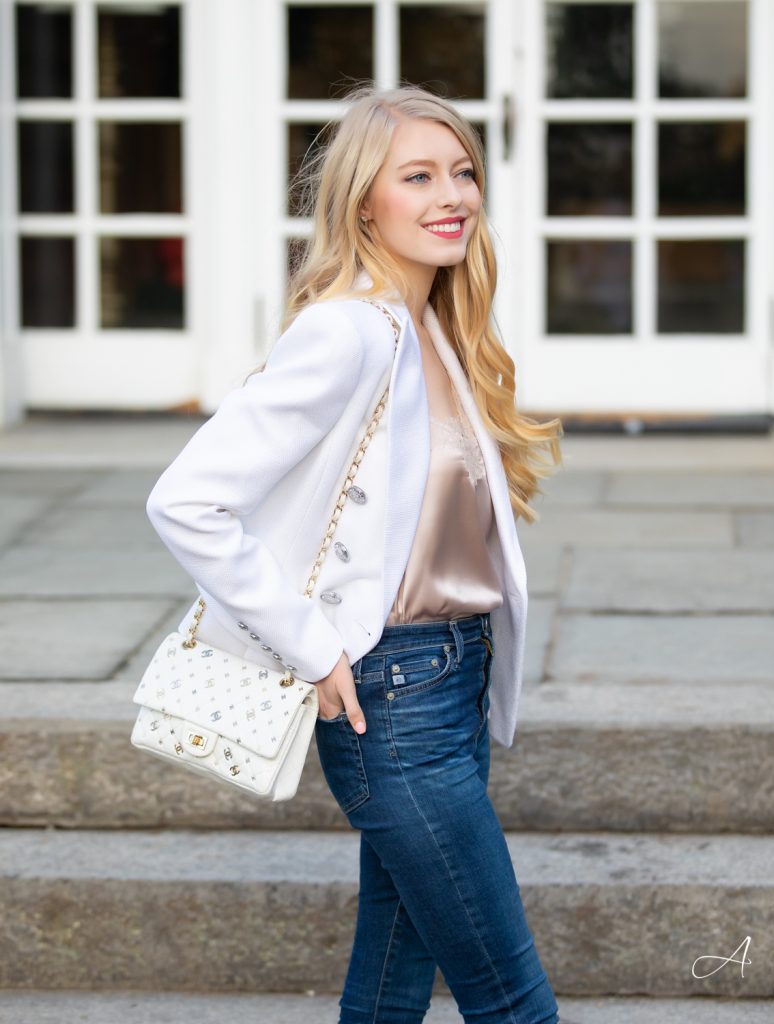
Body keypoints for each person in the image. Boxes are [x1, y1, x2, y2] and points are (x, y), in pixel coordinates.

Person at [146, 83, 563, 1024]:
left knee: (391, 975)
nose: (450, 194)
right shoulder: (349, 332)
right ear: (361, 203)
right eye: (416, 176)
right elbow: (186, 498)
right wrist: (312, 641)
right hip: (391, 692)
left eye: (460, 172)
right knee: (510, 998)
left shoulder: (434, 327)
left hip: (450, 674)